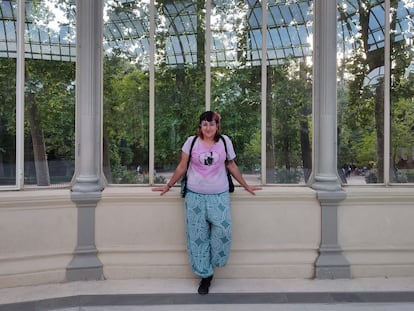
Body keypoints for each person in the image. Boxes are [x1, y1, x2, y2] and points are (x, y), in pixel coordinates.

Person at [152, 111, 261, 295]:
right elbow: (182, 166)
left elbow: (231, 165)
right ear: (200, 126)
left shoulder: (225, 141)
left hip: (219, 195)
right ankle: (205, 276)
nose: (208, 128)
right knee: (197, 236)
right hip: (194, 196)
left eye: (211, 124)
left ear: (217, 126)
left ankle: (214, 262)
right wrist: (168, 186)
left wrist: (247, 186)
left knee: (223, 230)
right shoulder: (191, 142)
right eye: (204, 124)